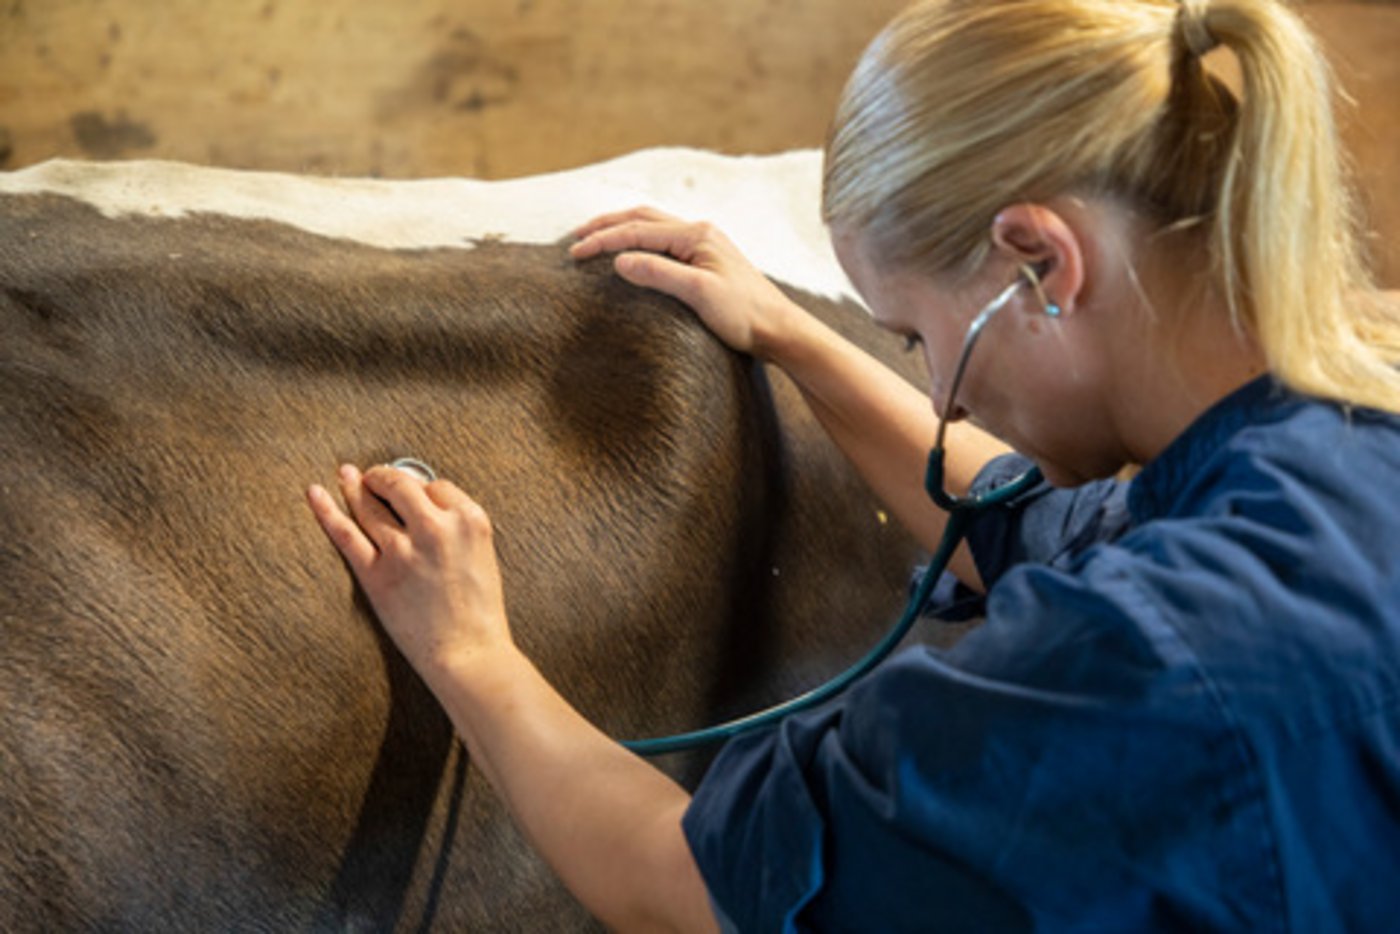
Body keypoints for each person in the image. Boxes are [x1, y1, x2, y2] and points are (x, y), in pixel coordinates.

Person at [306, 0, 1400, 928]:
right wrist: (791, 337)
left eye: (924, 338)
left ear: (1041, 262)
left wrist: (470, 651)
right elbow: (1035, 535)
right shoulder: (1334, 443)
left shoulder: (1127, 661)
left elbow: (684, 880)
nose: (943, 398)